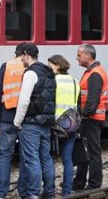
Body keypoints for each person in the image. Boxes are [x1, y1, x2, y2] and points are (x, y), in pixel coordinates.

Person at [13, 43, 57, 199]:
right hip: (46, 123)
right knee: (46, 158)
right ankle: (49, 192)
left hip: (31, 124)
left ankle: (32, 194)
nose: (20, 60)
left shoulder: (30, 74)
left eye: (20, 56)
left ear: (26, 54)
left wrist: (17, 122)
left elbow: (24, 101)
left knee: (31, 159)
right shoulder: (49, 72)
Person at [0, 42, 27, 199]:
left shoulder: (6, 66)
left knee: (5, 155)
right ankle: (24, 191)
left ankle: (1, 193)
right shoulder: (31, 67)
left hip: (7, 117)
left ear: (16, 53)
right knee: (26, 156)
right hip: (26, 119)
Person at [73, 44, 108, 191]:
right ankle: (79, 182)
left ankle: (94, 183)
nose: (77, 57)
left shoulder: (95, 74)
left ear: (88, 55)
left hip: (92, 119)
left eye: (79, 55)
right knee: (84, 150)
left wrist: (82, 114)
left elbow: (92, 102)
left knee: (92, 151)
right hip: (89, 118)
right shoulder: (92, 72)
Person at [48, 54, 80, 197]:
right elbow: (77, 103)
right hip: (71, 125)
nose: (48, 68)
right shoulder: (75, 81)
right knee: (68, 160)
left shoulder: (52, 81)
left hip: (55, 126)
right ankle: (67, 191)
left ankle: (50, 190)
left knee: (50, 159)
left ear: (58, 66)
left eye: (50, 65)